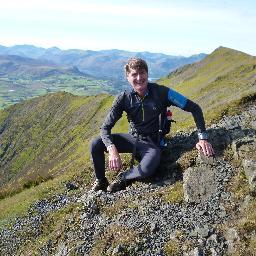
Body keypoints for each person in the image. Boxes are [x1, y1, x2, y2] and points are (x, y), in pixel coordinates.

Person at [90, 58, 214, 192]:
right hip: (133, 140)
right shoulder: (124, 98)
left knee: (148, 167)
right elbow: (105, 128)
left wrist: (203, 138)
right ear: (127, 77)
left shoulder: (162, 93)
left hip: (152, 144)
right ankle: (101, 181)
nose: (139, 78)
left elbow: (194, 108)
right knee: (96, 143)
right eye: (134, 74)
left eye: (142, 73)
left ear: (147, 74)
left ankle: (124, 178)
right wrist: (112, 149)